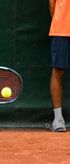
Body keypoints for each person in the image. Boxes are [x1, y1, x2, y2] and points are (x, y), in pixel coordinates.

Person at [49, 0, 70, 132]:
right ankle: (58, 119)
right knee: (58, 71)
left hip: (60, 27)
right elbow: (52, 4)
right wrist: (60, 21)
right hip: (61, 29)